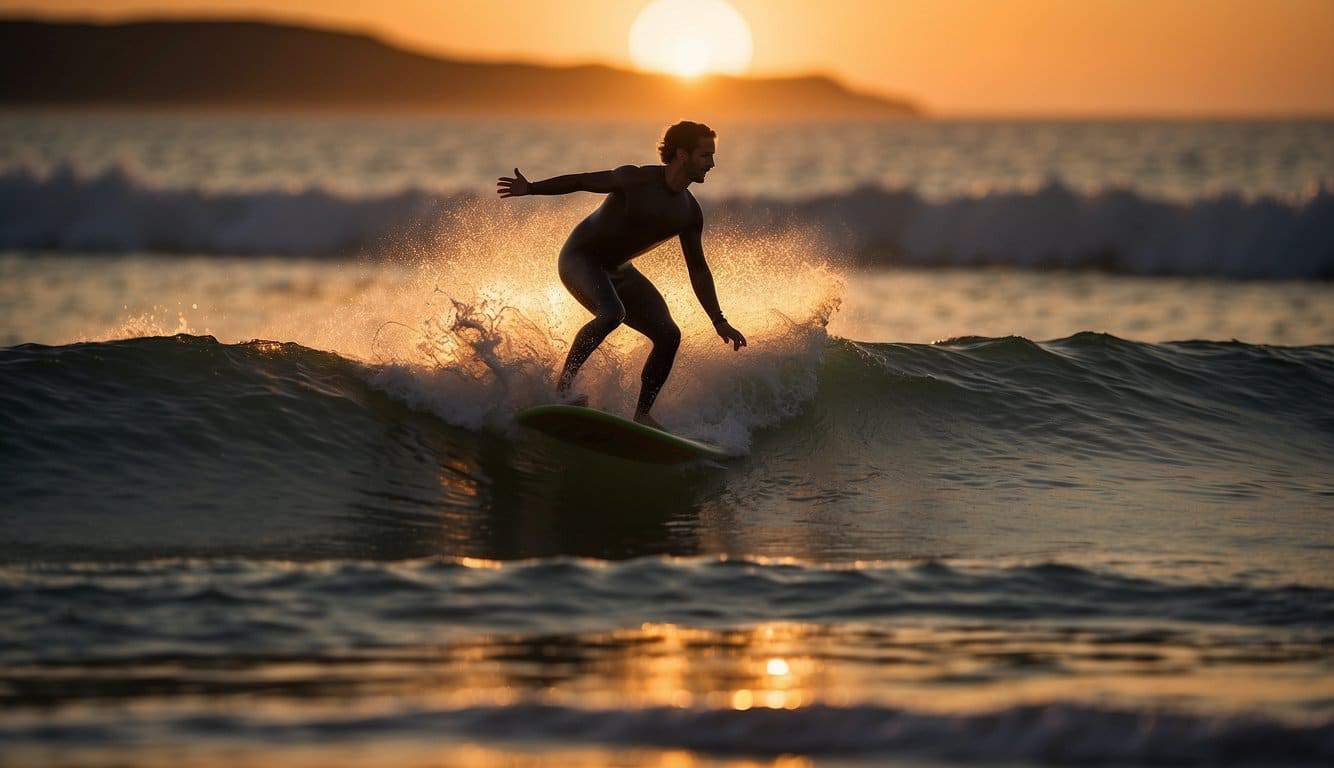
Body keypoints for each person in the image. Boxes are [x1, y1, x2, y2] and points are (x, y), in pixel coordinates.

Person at [497, 120, 747, 430]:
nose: (711, 164)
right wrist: (531, 188)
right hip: (581, 259)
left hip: (619, 270)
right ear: (682, 155)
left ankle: (643, 415)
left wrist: (718, 320)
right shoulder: (637, 179)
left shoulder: (689, 213)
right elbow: (583, 181)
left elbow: (697, 269)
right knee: (612, 313)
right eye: (705, 155)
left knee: (669, 335)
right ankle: (561, 389)